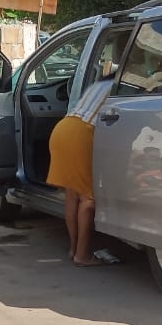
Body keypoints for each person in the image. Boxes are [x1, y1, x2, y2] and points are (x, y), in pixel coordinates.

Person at [44, 60, 121, 266]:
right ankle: (83, 255)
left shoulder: (99, 84)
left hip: (63, 129)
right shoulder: (120, 86)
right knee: (88, 199)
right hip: (82, 133)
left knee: (72, 194)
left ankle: (73, 249)